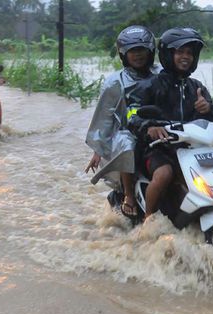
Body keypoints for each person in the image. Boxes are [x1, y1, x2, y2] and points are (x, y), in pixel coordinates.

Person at [132, 27, 213, 219]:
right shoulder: (151, 85)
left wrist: (209, 109)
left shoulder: (196, 87)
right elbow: (132, 115)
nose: (185, 57)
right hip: (158, 148)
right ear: (168, 54)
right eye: (180, 51)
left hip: (191, 148)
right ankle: (148, 218)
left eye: (190, 53)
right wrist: (150, 127)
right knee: (164, 174)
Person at [85, 25, 157, 219]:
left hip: (159, 127)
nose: (138, 55)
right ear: (123, 54)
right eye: (132, 51)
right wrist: (97, 150)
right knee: (127, 144)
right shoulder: (115, 81)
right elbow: (104, 116)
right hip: (128, 131)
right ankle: (129, 195)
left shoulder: (162, 75)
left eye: (141, 50)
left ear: (150, 51)